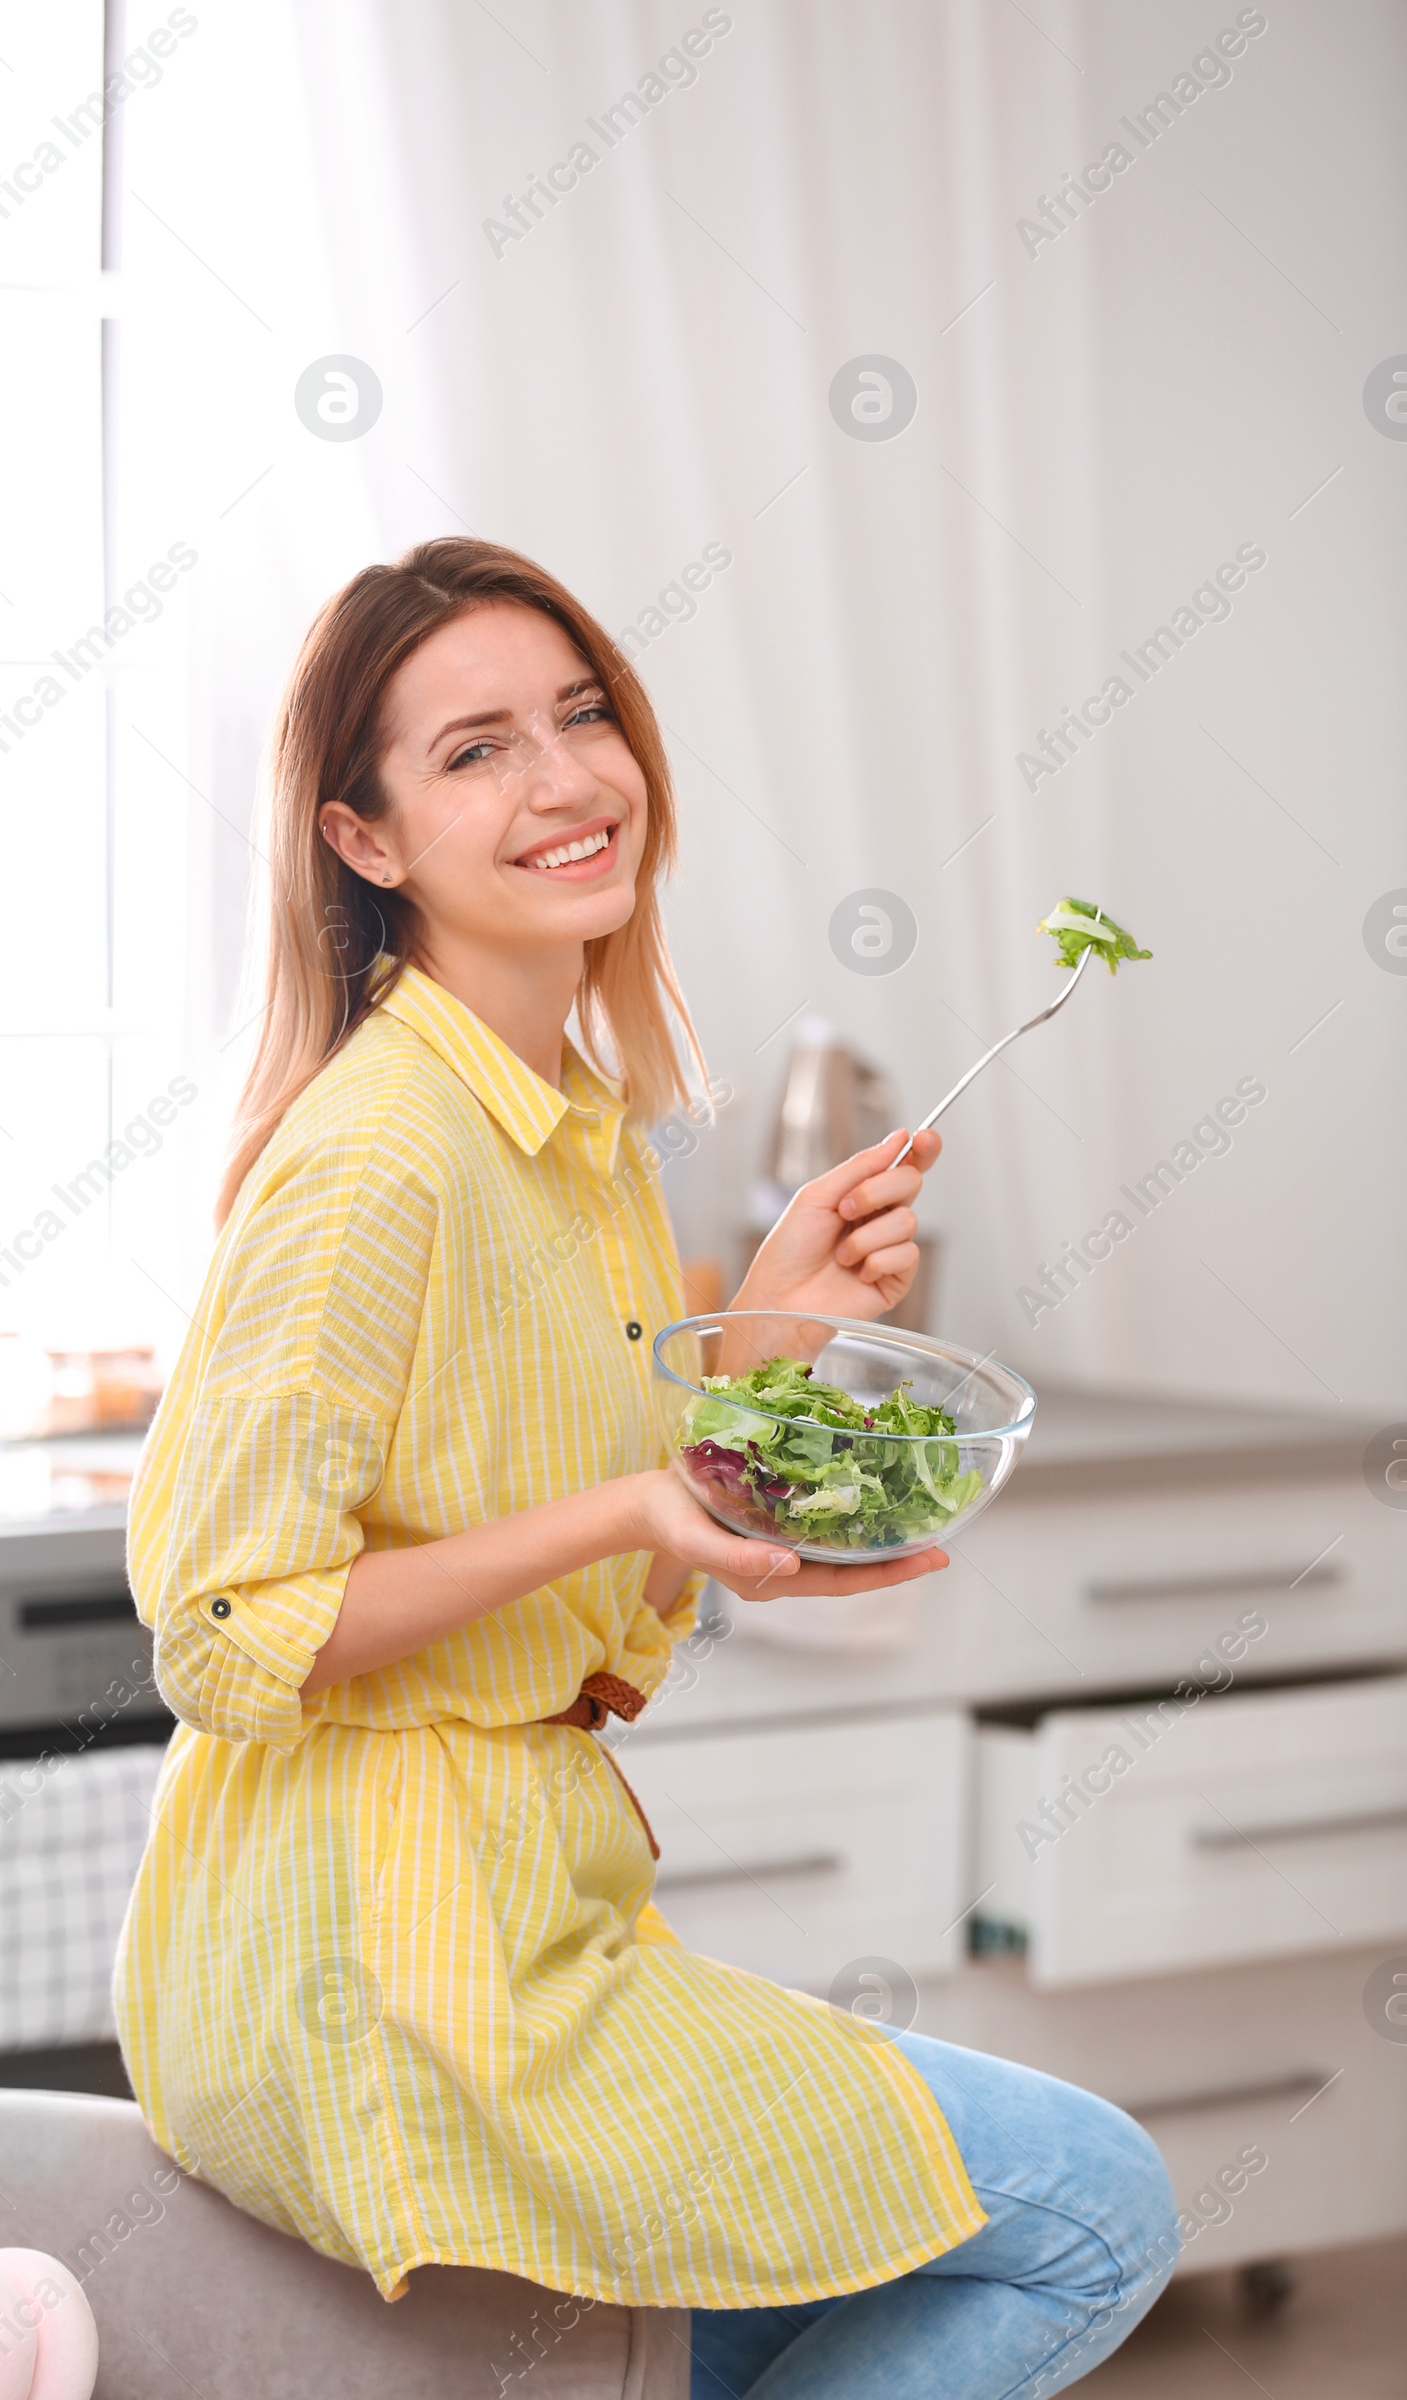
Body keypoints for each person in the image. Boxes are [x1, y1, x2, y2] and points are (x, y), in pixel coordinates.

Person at [115, 538, 1178, 2396]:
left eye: (581, 715)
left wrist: (762, 1331)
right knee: (1094, 2209)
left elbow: (606, 1598)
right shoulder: (383, 1157)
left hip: (512, 1914)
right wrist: (623, 1509)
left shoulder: (577, 1139)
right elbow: (219, 1629)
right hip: (372, 1974)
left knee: (740, 2320)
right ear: (366, 842)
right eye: (476, 752)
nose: (565, 781)